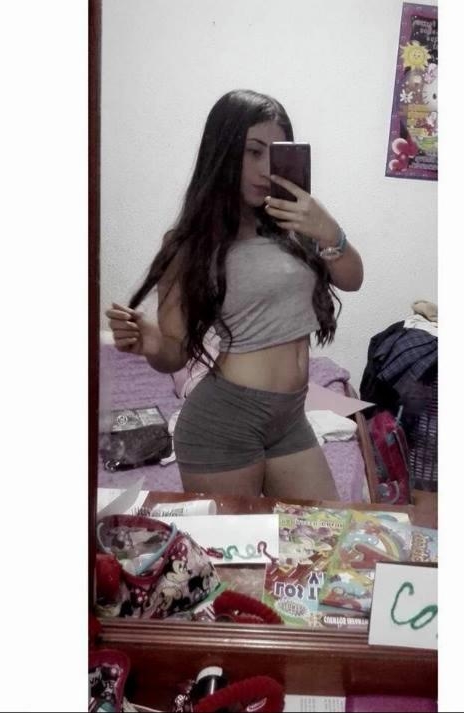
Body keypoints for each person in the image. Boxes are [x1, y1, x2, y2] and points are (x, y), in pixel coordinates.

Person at [106, 89, 364, 499]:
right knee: (235, 542)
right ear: (223, 152)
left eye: (275, 155)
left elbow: (352, 279)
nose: (265, 169)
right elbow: (174, 353)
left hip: (290, 419)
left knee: (326, 530)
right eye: (252, 152)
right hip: (224, 421)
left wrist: (329, 231)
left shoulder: (295, 224)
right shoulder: (191, 243)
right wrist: (151, 342)